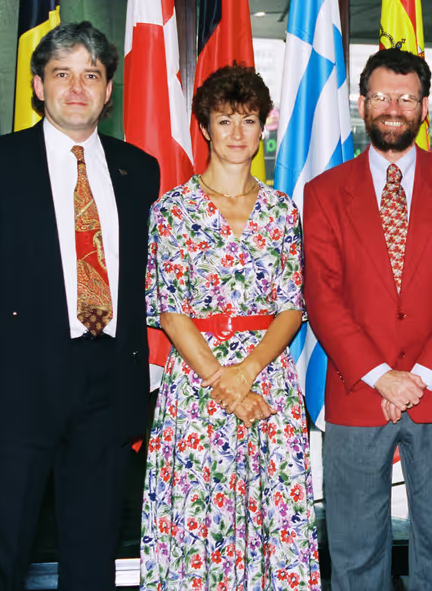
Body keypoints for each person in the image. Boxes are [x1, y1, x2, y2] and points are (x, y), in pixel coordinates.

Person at [0, 21, 160, 590]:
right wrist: (4, 345)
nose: (76, 88)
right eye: (62, 74)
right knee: (0, 545)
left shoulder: (139, 171)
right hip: (17, 385)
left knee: (93, 549)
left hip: (107, 383)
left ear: (109, 91)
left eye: (91, 76)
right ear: (38, 86)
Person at [303, 48, 432, 590]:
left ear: (425, 107)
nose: (393, 107)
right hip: (358, 395)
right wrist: (383, 376)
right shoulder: (323, 193)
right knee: (356, 559)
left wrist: (420, 377)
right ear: (362, 103)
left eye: (406, 98)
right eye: (382, 96)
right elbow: (323, 296)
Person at [141, 64, 320, 590]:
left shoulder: (282, 211)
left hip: (267, 381)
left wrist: (249, 371)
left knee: (273, 515)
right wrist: (225, 379)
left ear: (263, 126)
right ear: (204, 128)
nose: (237, 133)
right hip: (198, 386)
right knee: (201, 520)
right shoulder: (172, 211)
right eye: (225, 121)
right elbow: (170, 309)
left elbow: (292, 306)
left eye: (248, 120)